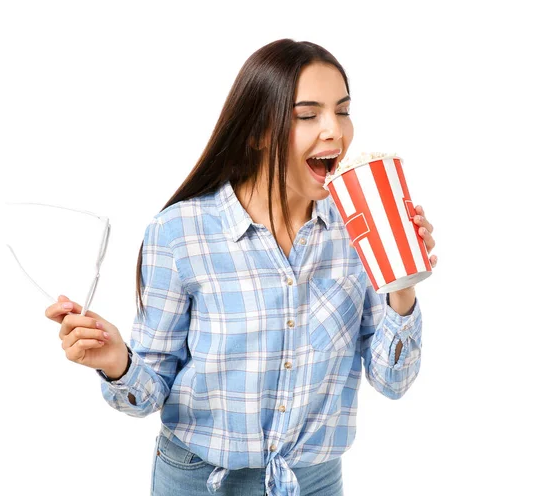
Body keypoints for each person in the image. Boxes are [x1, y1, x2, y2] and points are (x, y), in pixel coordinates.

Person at [45, 38, 437, 496]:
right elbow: (147, 395)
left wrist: (401, 281)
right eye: (307, 115)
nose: (335, 131)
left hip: (313, 482)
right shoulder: (181, 233)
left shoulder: (359, 230)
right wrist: (116, 361)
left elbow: (393, 382)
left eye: (343, 110)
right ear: (256, 132)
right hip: (198, 480)